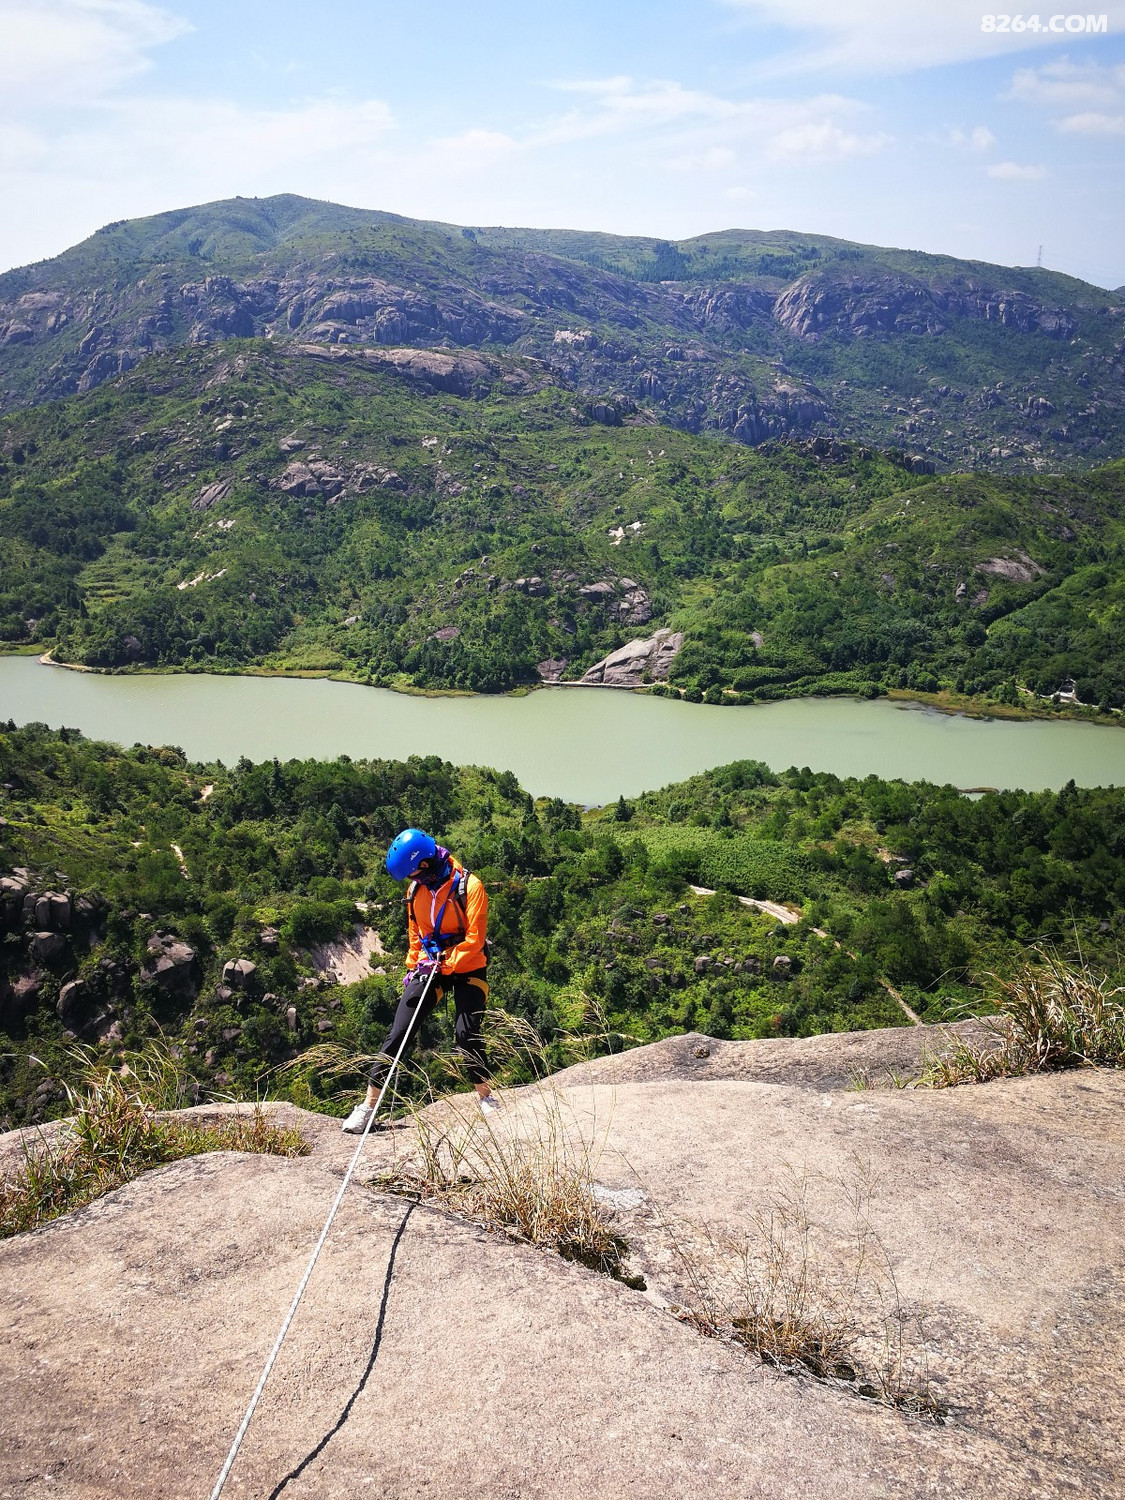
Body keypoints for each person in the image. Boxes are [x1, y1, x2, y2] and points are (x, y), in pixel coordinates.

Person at [341, 828, 500, 1132]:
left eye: (414, 874)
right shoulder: (417, 892)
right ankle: (368, 1107)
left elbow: (475, 939)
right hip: (433, 964)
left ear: (426, 864)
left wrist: (448, 964)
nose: (413, 880)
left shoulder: (471, 886)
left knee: (466, 1032)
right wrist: (414, 965)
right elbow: (417, 935)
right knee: (400, 1031)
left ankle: (485, 1096)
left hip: (468, 965)